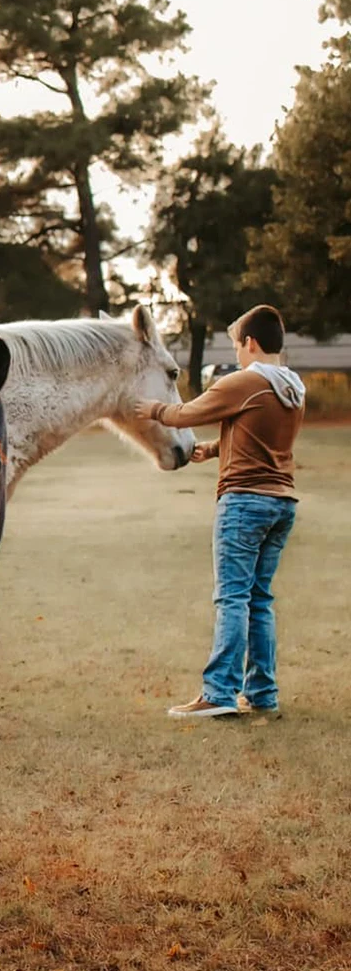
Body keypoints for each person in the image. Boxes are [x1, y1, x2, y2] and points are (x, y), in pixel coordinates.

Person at [134, 304, 305, 719]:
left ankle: (219, 693)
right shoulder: (293, 387)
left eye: (236, 345)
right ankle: (262, 693)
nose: (238, 353)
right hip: (281, 502)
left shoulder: (246, 381)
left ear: (250, 342)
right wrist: (213, 449)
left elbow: (185, 413)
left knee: (231, 598)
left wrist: (152, 409)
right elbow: (259, 436)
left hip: (244, 502)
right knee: (259, 599)